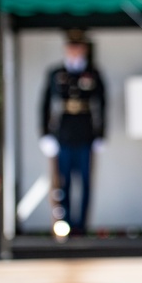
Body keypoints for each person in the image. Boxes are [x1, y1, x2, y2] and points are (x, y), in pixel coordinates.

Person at [39, 28, 106, 237]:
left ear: (84, 49)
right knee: (63, 182)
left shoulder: (93, 73)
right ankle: (65, 223)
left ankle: (81, 225)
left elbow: (102, 105)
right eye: (71, 47)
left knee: (85, 182)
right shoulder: (56, 73)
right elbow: (45, 104)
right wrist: (45, 134)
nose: (75, 51)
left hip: (85, 134)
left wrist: (101, 134)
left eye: (78, 47)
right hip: (64, 133)